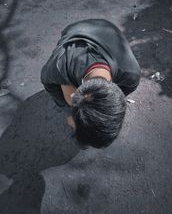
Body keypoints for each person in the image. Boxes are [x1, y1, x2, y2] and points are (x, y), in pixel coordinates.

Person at [41, 19, 141, 148]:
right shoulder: (58, 66)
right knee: (66, 96)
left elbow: (118, 97)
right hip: (77, 29)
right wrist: (67, 108)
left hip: (108, 29)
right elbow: (51, 88)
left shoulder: (131, 76)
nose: (70, 122)